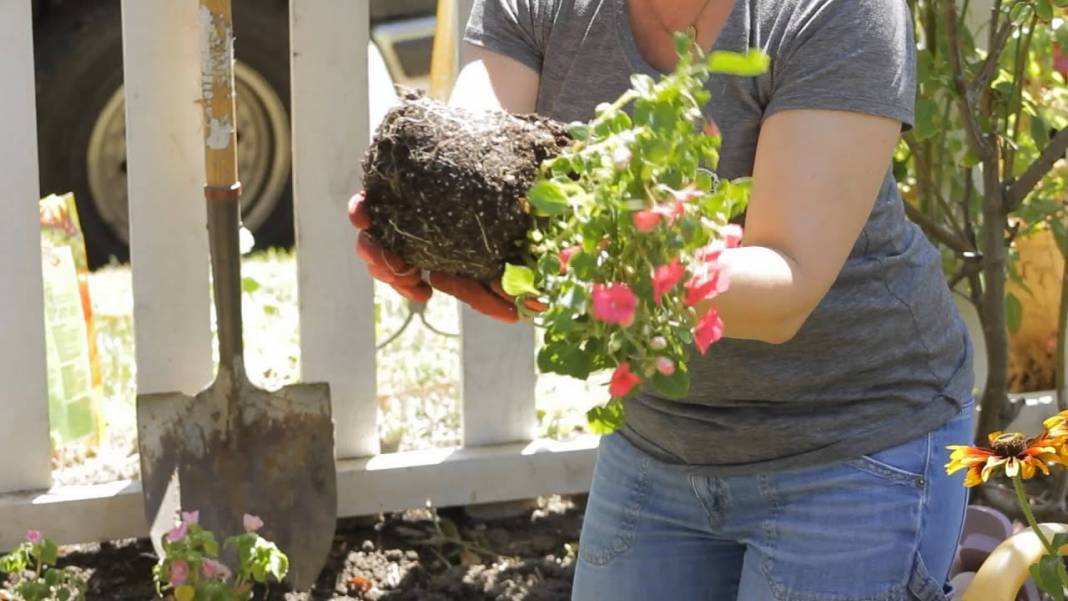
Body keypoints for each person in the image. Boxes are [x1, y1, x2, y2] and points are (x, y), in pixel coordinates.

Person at [349, 0, 975, 599]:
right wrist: (426, 223)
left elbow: (785, 284)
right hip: (662, 438)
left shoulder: (833, 9)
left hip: (855, 442)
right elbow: (481, 164)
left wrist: (586, 268)